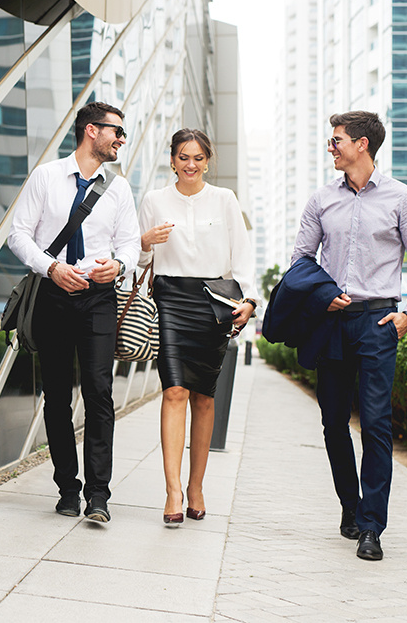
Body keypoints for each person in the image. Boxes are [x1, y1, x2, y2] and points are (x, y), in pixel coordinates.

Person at [292, 110, 407, 561]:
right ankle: (349, 508)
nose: (330, 147)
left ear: (362, 145)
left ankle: (373, 525)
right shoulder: (321, 199)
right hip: (332, 322)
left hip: (378, 322)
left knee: (375, 424)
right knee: (333, 421)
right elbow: (301, 260)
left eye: (336, 141)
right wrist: (320, 298)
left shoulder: (402, 198)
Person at [7, 102, 140, 523]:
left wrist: (118, 266)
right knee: (58, 395)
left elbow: (131, 244)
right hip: (52, 294)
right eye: (116, 131)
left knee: (100, 392)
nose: (121, 139)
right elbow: (18, 234)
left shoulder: (117, 188)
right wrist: (52, 268)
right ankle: (68, 487)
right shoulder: (46, 177)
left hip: (98, 299)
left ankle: (99, 494)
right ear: (90, 130)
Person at [137, 128, 256, 525]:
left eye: (199, 158)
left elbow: (242, 256)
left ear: (208, 162)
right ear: (171, 160)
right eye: (183, 157)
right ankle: (172, 491)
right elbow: (138, 261)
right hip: (171, 298)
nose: (191, 164)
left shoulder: (224, 200)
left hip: (213, 301)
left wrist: (250, 300)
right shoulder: (154, 200)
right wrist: (144, 241)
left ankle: (197, 486)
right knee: (174, 391)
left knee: (204, 396)